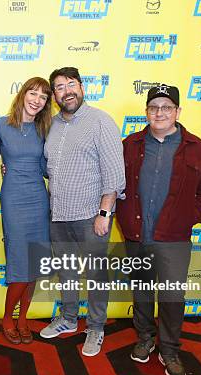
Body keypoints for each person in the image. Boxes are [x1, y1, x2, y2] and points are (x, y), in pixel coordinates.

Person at [116, 84, 201, 375]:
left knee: (172, 296)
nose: (159, 112)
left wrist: (192, 217)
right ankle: (145, 337)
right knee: (143, 292)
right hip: (137, 235)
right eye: (153, 107)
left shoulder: (198, 148)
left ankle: (170, 349)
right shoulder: (131, 144)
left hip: (174, 239)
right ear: (146, 112)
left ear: (177, 112)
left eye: (166, 107)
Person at [41, 67, 125, 358]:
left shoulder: (101, 121)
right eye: (60, 87)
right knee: (66, 272)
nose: (67, 91)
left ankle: (96, 327)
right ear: (54, 95)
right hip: (58, 214)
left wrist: (104, 212)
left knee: (96, 273)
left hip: (92, 215)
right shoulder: (49, 124)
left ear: (82, 87)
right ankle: (67, 319)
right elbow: (45, 166)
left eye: (71, 84)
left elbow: (114, 172)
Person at [0, 77, 52, 345]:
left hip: (39, 199)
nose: (37, 99)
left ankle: (23, 319)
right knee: (19, 262)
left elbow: (45, 168)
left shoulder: (46, 128)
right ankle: (7, 317)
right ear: (23, 94)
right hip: (14, 199)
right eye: (33, 93)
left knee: (35, 263)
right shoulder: (2, 125)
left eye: (43, 96)